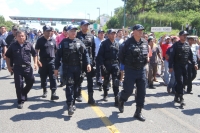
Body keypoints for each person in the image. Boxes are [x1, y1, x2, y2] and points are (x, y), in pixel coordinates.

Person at [54, 25, 91, 115]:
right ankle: (70, 104)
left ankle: (73, 102)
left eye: (75, 31)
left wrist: (88, 64)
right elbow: (58, 56)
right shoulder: (63, 42)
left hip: (78, 68)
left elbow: (85, 54)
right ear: (68, 32)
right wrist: (56, 68)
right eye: (71, 31)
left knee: (76, 87)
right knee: (69, 86)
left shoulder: (80, 42)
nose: (73, 33)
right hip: (68, 68)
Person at [118, 24, 148, 121]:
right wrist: (126, 66)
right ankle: (121, 99)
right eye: (139, 30)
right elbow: (121, 57)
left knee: (141, 92)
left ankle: (138, 112)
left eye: (142, 30)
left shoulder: (144, 42)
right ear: (134, 31)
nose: (141, 32)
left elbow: (146, 54)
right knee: (128, 90)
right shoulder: (126, 43)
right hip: (130, 70)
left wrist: (146, 59)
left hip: (141, 70)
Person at [5, 31, 38, 109]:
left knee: (31, 81)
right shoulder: (13, 45)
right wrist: (9, 66)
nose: (21, 37)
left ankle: (23, 93)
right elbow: (7, 56)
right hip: (17, 68)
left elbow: (35, 54)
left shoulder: (29, 44)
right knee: (19, 85)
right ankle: (20, 100)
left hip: (27, 67)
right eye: (19, 36)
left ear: (25, 36)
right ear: (16, 37)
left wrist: (35, 63)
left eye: (22, 36)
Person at [169, 31, 198, 106]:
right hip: (177, 65)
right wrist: (170, 66)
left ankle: (176, 94)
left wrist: (194, 64)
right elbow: (171, 57)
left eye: (186, 35)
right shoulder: (175, 45)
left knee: (185, 80)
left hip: (185, 66)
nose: (185, 37)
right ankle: (181, 98)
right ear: (180, 36)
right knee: (180, 81)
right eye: (184, 35)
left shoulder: (187, 45)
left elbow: (191, 56)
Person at [35, 25, 59, 101]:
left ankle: (53, 93)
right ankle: (45, 90)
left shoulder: (53, 40)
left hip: (52, 61)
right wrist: (37, 61)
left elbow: (56, 50)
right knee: (43, 77)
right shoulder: (40, 40)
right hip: (43, 61)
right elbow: (36, 51)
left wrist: (56, 60)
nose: (49, 32)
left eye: (50, 31)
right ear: (44, 31)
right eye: (47, 31)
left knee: (53, 77)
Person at [97, 29, 120, 105]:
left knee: (116, 81)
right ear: (108, 35)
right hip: (106, 65)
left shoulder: (117, 44)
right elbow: (100, 55)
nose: (113, 35)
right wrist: (102, 65)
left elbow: (119, 56)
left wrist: (119, 66)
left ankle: (116, 97)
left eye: (114, 34)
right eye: (111, 34)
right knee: (106, 80)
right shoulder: (104, 44)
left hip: (115, 65)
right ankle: (105, 93)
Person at [76, 20, 96, 104]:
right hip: (79, 61)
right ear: (81, 26)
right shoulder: (76, 35)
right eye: (84, 25)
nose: (86, 27)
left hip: (89, 61)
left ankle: (90, 97)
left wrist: (93, 60)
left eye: (87, 25)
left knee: (90, 80)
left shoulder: (91, 36)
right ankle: (78, 94)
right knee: (79, 78)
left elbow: (93, 49)